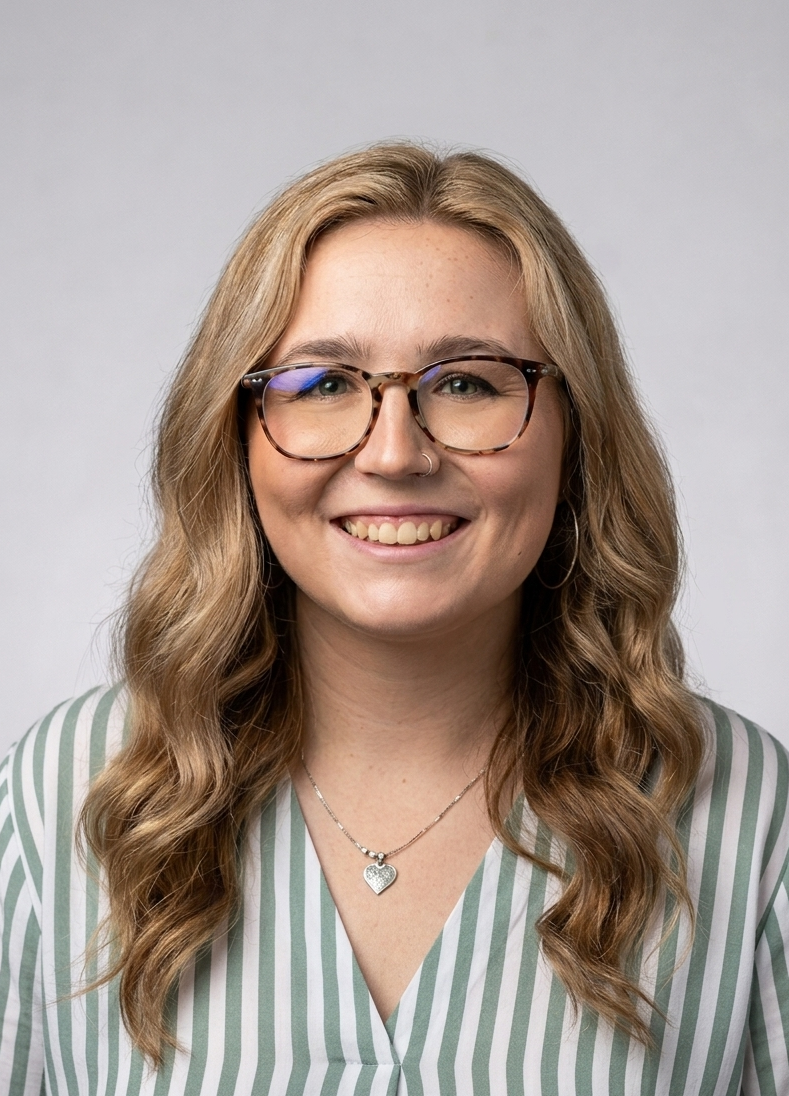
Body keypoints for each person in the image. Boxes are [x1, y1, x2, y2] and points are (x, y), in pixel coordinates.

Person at [0, 143, 787, 1096]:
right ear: (236, 436)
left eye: (466, 382)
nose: (395, 453)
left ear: (575, 436)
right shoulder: (57, 796)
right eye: (321, 385)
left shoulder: (750, 817)